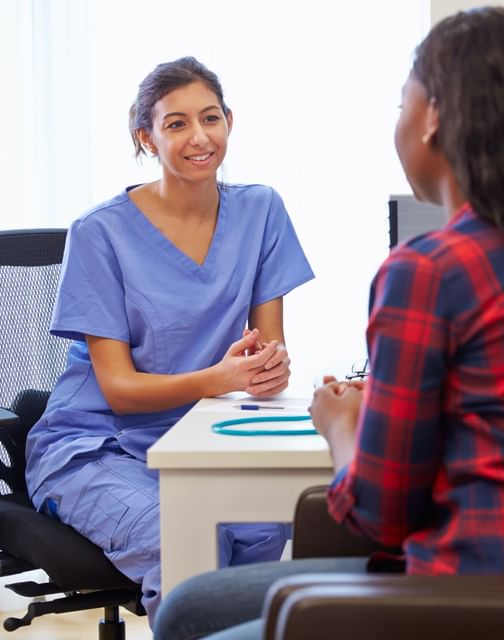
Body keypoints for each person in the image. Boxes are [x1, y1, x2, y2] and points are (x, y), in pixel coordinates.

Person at [153, 8, 504, 639]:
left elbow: (381, 512)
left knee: (188, 617)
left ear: (432, 118)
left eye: (405, 99)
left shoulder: (429, 270)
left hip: (466, 587)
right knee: (190, 607)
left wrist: (343, 424)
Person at [24, 56, 314, 624]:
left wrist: (267, 369)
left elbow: (264, 352)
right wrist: (220, 378)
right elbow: (120, 389)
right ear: (146, 137)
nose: (199, 136)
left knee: (263, 523)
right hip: (93, 446)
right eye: (176, 123)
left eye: (210, 117)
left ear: (230, 120)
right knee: (182, 539)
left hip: (203, 437)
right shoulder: (100, 233)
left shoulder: (261, 210)